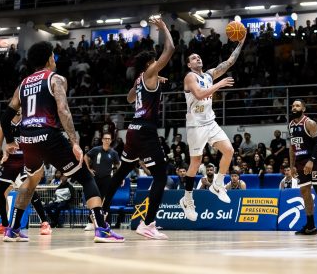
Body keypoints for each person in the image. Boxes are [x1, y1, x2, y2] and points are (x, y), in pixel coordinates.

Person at [0, 41, 123, 243]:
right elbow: (63, 110)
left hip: (27, 139)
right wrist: (74, 142)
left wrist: (11, 140)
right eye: (53, 55)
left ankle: (12, 230)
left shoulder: (22, 85)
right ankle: (102, 229)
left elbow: (5, 118)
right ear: (50, 58)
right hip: (48, 136)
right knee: (86, 177)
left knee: (31, 181)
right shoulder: (55, 79)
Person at [101, 17, 174, 240]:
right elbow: (170, 49)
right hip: (145, 130)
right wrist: (163, 28)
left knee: (122, 172)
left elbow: (129, 97)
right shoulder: (150, 73)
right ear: (149, 64)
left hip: (132, 130)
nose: (157, 63)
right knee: (160, 176)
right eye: (154, 62)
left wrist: (150, 79)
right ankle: (148, 224)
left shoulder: (141, 78)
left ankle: (101, 213)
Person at [179, 35, 245, 221]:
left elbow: (229, 62)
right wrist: (220, 84)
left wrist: (240, 43)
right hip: (195, 125)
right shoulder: (190, 77)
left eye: (199, 56)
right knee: (195, 162)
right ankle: (187, 199)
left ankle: (218, 184)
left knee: (229, 151)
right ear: (189, 64)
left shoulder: (208, 75)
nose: (197, 58)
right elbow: (199, 94)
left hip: (210, 122)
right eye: (193, 58)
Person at [0, 108, 52, 236]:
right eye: (17, 106)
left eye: (21, 106)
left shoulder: (29, 122)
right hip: (11, 161)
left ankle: (45, 223)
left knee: (28, 190)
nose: (19, 108)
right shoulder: (5, 123)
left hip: (26, 159)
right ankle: (4, 224)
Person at [287, 99, 317, 235]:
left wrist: (311, 161)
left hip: (314, 161)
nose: (294, 107)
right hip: (300, 162)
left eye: (297, 106)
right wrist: (292, 165)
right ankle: (310, 226)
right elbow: (292, 147)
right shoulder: (290, 125)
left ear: (303, 109)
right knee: (304, 191)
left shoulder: (309, 123)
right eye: (293, 105)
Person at [85, 132, 120, 230]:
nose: (107, 140)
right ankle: (91, 223)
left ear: (111, 141)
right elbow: (85, 156)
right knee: (94, 199)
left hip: (107, 179)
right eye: (105, 138)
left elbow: (118, 165)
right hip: (95, 178)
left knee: (106, 200)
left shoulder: (113, 153)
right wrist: (88, 168)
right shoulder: (96, 150)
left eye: (109, 139)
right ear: (102, 140)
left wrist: (120, 177)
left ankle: (106, 222)